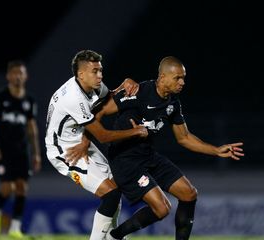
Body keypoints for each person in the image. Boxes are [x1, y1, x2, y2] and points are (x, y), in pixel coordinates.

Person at [95, 56, 244, 240]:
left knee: (189, 194)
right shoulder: (137, 92)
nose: (182, 82)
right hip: (125, 160)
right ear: (162, 77)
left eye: (183, 78)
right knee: (162, 208)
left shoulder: (172, 103)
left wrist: (216, 150)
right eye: (177, 78)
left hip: (148, 156)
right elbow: (99, 112)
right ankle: (115, 237)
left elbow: (185, 138)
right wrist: (88, 141)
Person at [45, 49, 148, 240]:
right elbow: (102, 135)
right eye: (95, 71)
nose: (100, 75)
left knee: (116, 187)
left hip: (80, 140)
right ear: (81, 74)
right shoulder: (73, 98)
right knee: (111, 193)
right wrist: (137, 131)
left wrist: (124, 85)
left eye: (101, 70)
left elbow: (108, 99)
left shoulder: (92, 86)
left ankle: (113, 236)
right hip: (65, 151)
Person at [0, 60, 42, 238]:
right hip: (3, 149)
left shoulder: (29, 101)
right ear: (8, 76)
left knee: (22, 187)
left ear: (26, 76)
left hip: (22, 150)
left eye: (21, 73)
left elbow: (32, 127)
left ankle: (15, 229)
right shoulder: (1, 97)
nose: (18, 76)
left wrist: (37, 153)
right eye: (14, 73)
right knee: (7, 186)